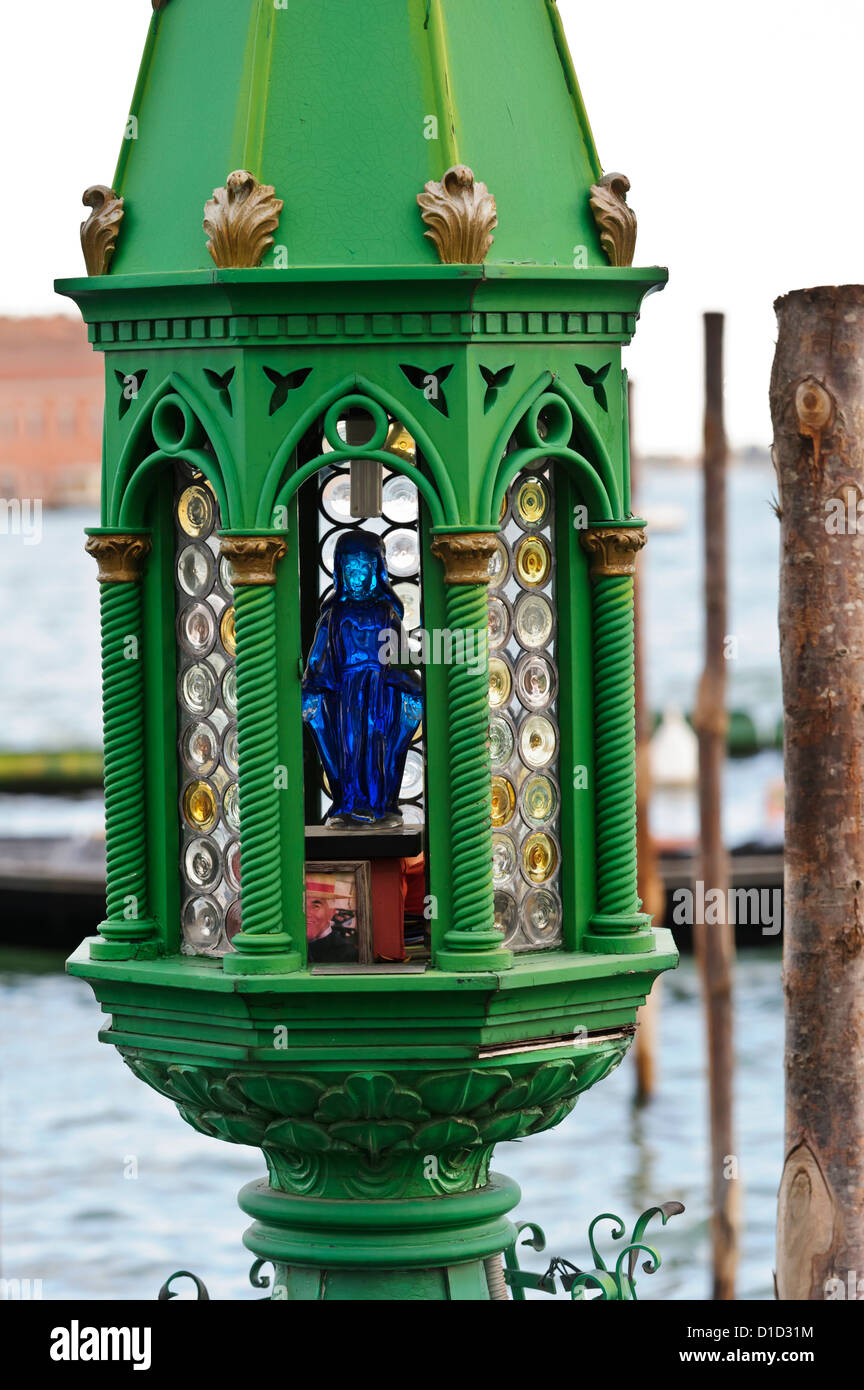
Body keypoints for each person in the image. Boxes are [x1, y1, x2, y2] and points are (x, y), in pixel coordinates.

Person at [302, 531, 422, 827]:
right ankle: (348, 803)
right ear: (340, 572)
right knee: (349, 750)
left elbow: (400, 659)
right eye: (350, 569)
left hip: (379, 694)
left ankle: (380, 804)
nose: (357, 577)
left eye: (363, 568)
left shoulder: (385, 614)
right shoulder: (334, 615)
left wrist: (414, 684)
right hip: (345, 697)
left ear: (376, 571)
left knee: (376, 747)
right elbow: (318, 661)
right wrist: (311, 686)